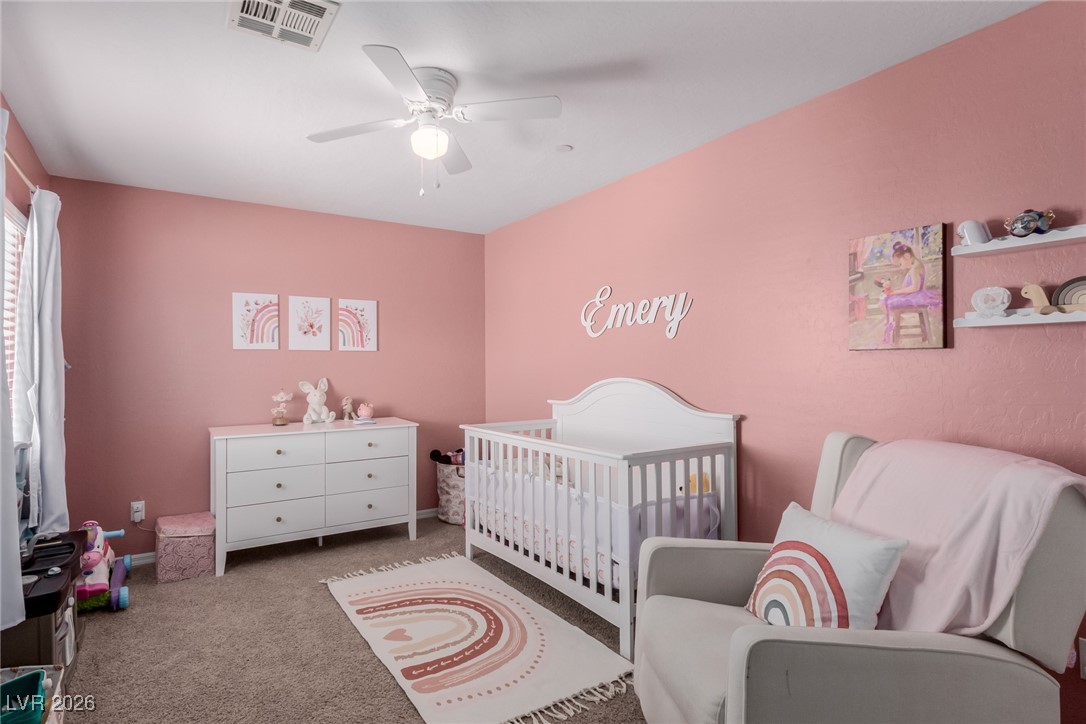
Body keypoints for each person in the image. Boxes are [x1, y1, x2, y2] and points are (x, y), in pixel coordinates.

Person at [880, 241, 941, 344]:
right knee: (885, 298)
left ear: (907, 256)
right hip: (914, 295)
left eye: (900, 263)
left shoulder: (914, 268)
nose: (901, 266)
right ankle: (896, 319)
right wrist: (896, 291)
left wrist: (895, 292)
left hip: (915, 296)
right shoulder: (916, 266)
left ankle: (896, 319)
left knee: (884, 300)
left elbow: (915, 288)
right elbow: (909, 287)